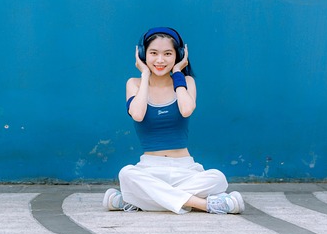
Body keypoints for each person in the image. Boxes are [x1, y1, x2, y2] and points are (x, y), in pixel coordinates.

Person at [103, 27, 244, 215]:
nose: (160, 60)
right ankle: (207, 205)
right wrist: (145, 75)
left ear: (178, 55)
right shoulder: (134, 83)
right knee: (127, 173)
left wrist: (178, 73)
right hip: (149, 168)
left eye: (168, 54)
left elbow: (186, 110)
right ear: (143, 54)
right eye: (153, 53)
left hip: (185, 168)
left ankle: (134, 199)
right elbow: (137, 114)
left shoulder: (187, 82)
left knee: (218, 178)